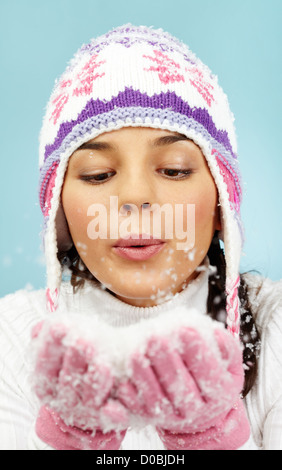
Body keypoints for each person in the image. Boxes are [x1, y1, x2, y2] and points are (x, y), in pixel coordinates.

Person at [0, 23, 281, 451]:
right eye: (97, 175)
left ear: (222, 207)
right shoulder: (13, 340)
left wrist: (213, 440)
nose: (133, 197)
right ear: (61, 216)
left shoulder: (276, 329)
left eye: (174, 169)